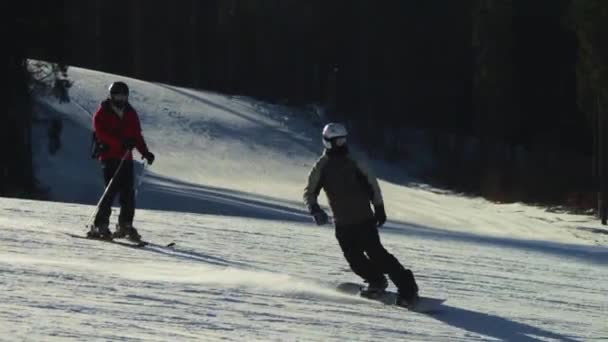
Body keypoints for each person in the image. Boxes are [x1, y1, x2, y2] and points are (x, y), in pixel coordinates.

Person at [303, 122, 419, 307]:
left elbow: (372, 184)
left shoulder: (354, 161)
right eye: (339, 141)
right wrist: (314, 209)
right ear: (328, 142)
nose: (343, 143)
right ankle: (376, 281)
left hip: (364, 219)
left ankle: (408, 287)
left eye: (344, 139)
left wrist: (379, 208)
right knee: (355, 261)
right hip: (342, 224)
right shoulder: (321, 167)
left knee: (378, 255)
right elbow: (310, 192)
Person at [88, 81, 155, 241]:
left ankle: (125, 224)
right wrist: (120, 143)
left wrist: (145, 152)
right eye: (117, 95)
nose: (121, 98)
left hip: (126, 158)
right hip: (110, 156)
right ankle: (100, 224)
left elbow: (137, 135)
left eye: (123, 95)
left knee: (128, 193)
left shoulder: (130, 113)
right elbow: (100, 133)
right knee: (110, 190)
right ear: (111, 95)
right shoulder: (103, 111)